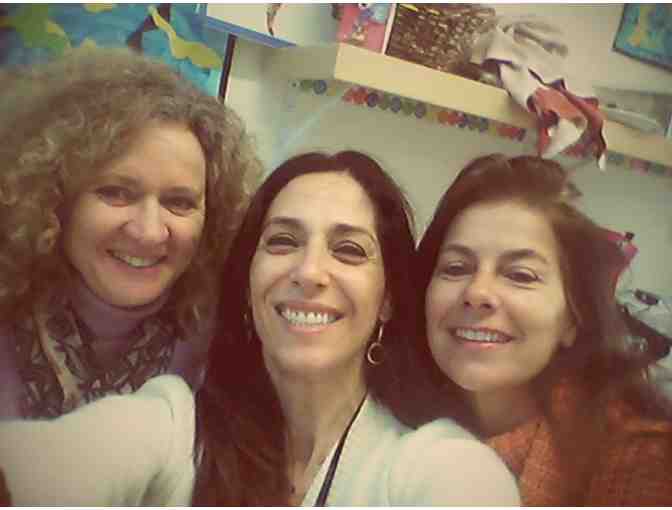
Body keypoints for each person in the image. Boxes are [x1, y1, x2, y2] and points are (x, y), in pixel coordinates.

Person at [0, 151, 520, 506]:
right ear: (247, 283)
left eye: (348, 250)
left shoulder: (439, 469)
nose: (309, 272)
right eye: (282, 242)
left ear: (387, 300)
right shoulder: (178, 425)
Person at [0, 47, 261, 419]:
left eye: (179, 202)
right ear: (56, 198)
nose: (149, 232)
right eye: (116, 193)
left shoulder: (227, 349)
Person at [413, 153, 672, 505]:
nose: (477, 293)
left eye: (520, 275)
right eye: (456, 268)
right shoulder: (393, 421)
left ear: (572, 318)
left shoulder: (640, 460)